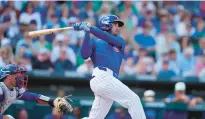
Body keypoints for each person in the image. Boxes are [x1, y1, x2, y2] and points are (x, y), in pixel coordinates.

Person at [72, 15, 146, 119]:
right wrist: (87, 33)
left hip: (109, 81)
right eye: (115, 24)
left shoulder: (119, 41)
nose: (117, 27)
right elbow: (84, 55)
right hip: (102, 77)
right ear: (106, 25)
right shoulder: (95, 41)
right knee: (133, 100)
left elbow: (105, 37)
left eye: (118, 25)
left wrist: (90, 28)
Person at [0, 64, 73, 119]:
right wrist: (4, 117)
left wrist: (52, 101)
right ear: (9, 76)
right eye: (17, 74)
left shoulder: (15, 90)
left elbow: (34, 97)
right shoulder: (1, 89)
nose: (21, 77)